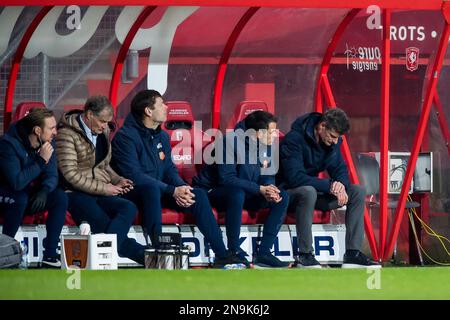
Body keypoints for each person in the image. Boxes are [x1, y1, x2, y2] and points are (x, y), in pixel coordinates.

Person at [110, 89, 247, 268]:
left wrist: (182, 188)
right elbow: (134, 176)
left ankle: (222, 254)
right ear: (148, 111)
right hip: (134, 192)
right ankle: (159, 252)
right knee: (151, 191)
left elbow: (169, 169)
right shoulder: (125, 137)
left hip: (161, 190)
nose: (166, 107)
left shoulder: (162, 136)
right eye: (161, 104)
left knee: (196, 194)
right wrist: (171, 190)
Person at [279, 108, 380, 268]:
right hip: (288, 195)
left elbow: (340, 169)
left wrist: (340, 185)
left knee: (357, 191)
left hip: (315, 194)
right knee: (308, 191)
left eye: (338, 138)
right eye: (333, 136)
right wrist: (330, 185)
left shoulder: (333, 143)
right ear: (322, 126)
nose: (335, 141)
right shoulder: (294, 139)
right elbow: (294, 177)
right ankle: (305, 255)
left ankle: (353, 254)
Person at [193, 110, 291, 268]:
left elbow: (267, 174)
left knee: (282, 196)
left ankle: (264, 253)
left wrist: (269, 188)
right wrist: (259, 189)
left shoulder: (267, 146)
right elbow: (227, 179)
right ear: (259, 133)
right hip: (215, 191)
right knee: (236, 193)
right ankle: (233, 250)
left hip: (249, 191)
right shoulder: (229, 142)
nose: (275, 136)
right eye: (272, 132)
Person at [56, 96, 145, 265]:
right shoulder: (66, 134)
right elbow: (70, 175)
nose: (105, 126)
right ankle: (147, 256)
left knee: (129, 207)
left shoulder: (103, 132)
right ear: (89, 115)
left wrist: (118, 180)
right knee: (104, 225)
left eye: (107, 122)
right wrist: (106, 189)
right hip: (74, 193)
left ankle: (134, 254)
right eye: (102, 121)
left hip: (101, 190)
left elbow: (104, 166)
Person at [0, 108, 67, 268]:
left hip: (25, 193)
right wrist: (39, 161)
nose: (55, 132)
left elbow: (52, 175)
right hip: (6, 194)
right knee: (20, 198)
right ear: (37, 130)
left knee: (59, 197)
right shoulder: (8, 144)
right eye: (51, 128)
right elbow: (17, 182)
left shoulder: (47, 142)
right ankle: (4, 254)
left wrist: (44, 190)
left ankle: (50, 256)